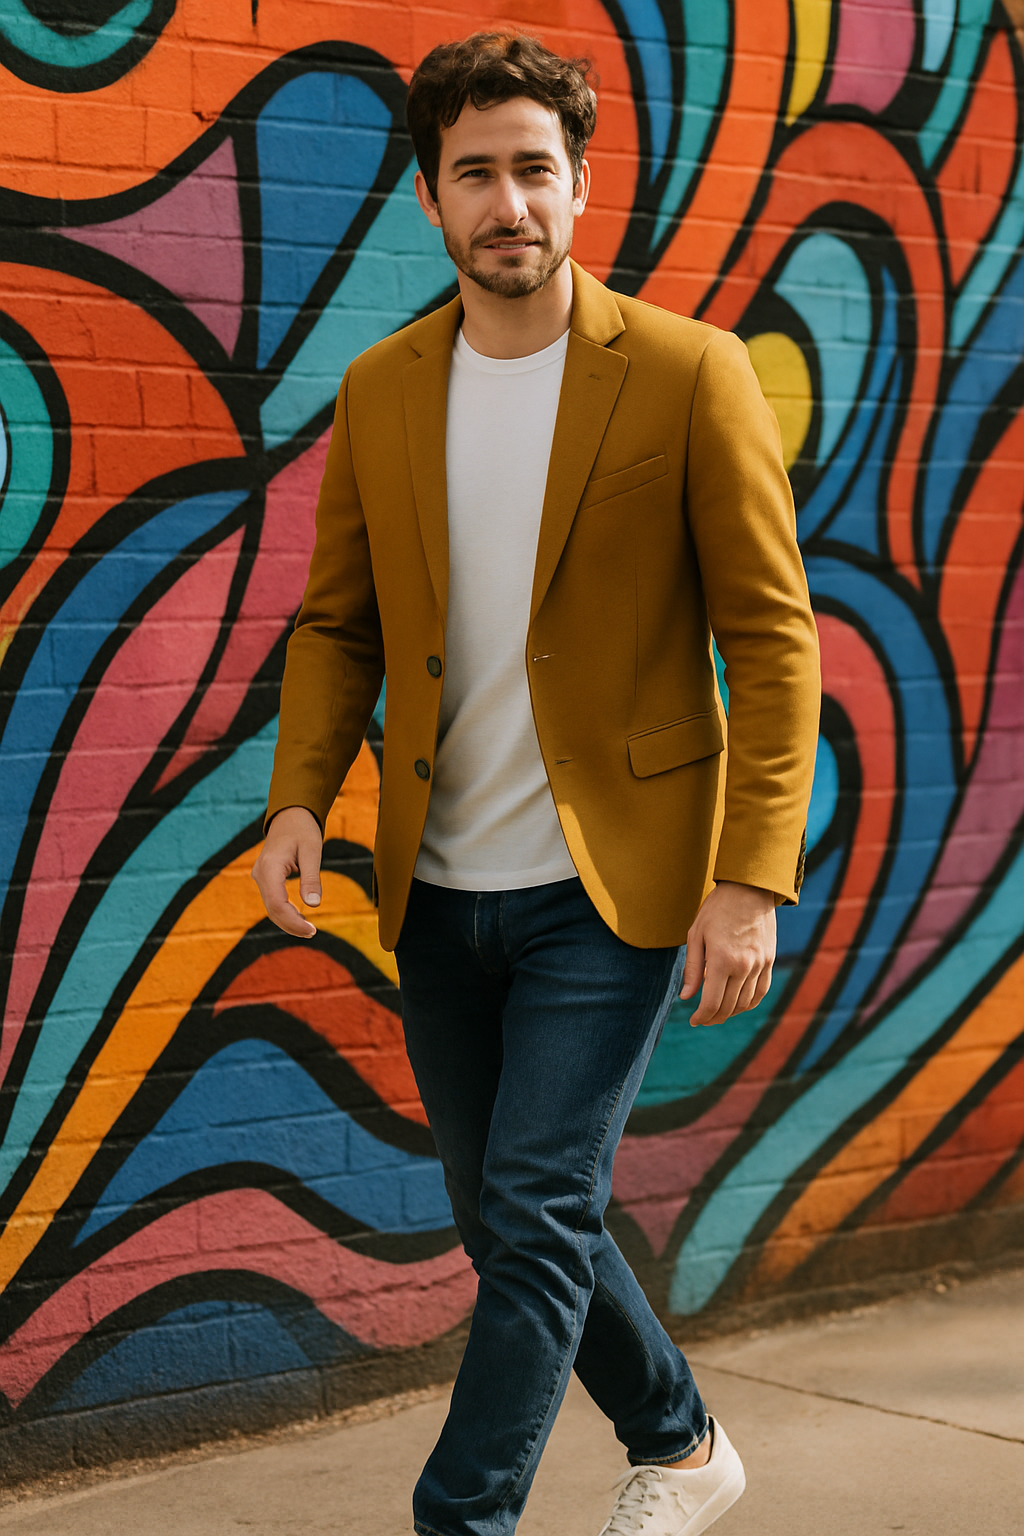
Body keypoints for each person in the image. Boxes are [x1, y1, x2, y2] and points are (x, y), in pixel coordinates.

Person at [253, 30, 820, 1536]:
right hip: (437, 886)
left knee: (537, 1209)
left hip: (611, 883)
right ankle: (685, 1446)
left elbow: (774, 642)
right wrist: (303, 793)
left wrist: (750, 877)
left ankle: (465, 1520)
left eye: (535, 171)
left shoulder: (687, 375)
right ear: (431, 202)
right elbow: (339, 621)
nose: (510, 201)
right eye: (476, 175)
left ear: (582, 187)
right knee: (514, 1222)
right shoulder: (381, 389)